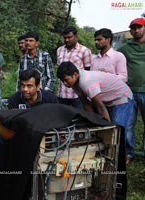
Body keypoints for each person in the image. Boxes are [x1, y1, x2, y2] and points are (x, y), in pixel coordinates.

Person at [57, 61, 133, 158]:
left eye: (66, 80)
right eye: (62, 81)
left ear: (75, 74)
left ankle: (119, 156)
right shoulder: (74, 83)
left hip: (122, 97)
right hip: (108, 100)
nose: (65, 83)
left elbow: (100, 107)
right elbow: (86, 104)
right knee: (102, 126)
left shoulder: (86, 82)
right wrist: (93, 123)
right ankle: (107, 151)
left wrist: (107, 130)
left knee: (117, 129)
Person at [118, 17, 145, 164]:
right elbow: (114, 59)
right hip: (129, 91)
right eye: (133, 28)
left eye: (139, 27)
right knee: (128, 124)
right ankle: (129, 152)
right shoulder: (125, 48)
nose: (136, 30)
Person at [56, 26, 93, 108]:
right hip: (62, 92)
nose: (67, 40)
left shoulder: (85, 51)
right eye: (65, 38)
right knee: (62, 117)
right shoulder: (59, 50)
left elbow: (88, 72)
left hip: (78, 93)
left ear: (76, 37)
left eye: (69, 37)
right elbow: (60, 70)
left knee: (79, 117)